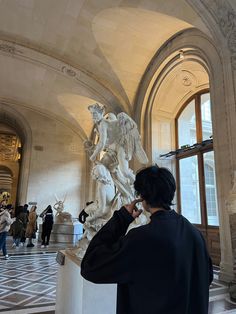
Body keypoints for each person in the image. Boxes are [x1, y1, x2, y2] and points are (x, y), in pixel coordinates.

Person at [81, 165, 213, 314]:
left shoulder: (140, 239)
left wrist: (121, 219)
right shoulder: (195, 234)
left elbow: (90, 266)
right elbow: (207, 278)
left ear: (142, 198)